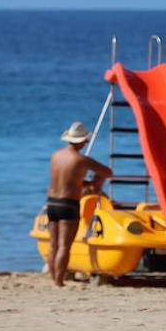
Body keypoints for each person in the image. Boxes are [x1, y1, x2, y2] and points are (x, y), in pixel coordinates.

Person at [45, 121, 111, 287]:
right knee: (64, 246)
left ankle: (54, 278)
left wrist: (87, 183)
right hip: (69, 204)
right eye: (85, 140)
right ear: (81, 141)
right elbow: (108, 172)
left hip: (52, 202)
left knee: (53, 244)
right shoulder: (82, 160)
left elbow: (66, 181)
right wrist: (96, 181)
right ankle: (59, 282)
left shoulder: (56, 155)